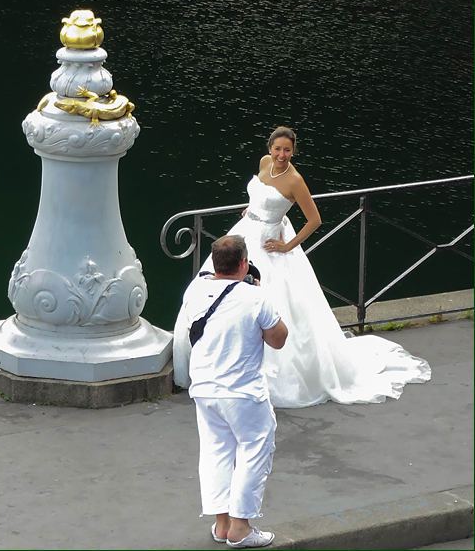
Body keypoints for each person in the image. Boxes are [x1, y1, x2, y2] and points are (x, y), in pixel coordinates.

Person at [173, 126, 431, 407]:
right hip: (247, 232)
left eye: (287, 150)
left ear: (294, 151)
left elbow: (314, 220)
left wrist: (287, 245)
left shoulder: (295, 180)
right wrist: (252, 208)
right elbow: (260, 193)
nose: (281, 155)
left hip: (271, 245)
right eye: (277, 149)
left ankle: (268, 373)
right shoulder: (264, 163)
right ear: (270, 147)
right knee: (219, 286)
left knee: (275, 302)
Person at [183, 234, 287, 548]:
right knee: (254, 452)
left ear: (215, 264)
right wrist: (259, 294)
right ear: (244, 263)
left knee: (216, 452)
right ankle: (241, 528)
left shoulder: (196, 289)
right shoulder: (255, 297)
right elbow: (279, 339)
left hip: (203, 387)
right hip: (243, 393)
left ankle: (221, 524)